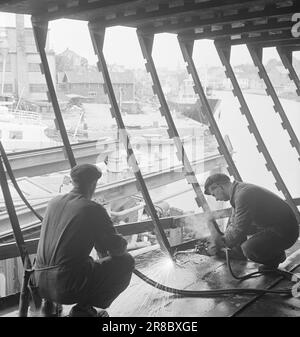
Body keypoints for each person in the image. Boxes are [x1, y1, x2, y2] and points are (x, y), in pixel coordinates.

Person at [32, 164, 135, 317]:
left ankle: (56, 309)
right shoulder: (93, 209)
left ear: (73, 182)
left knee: (84, 263)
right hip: (66, 286)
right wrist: (122, 242)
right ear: (93, 184)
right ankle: (84, 310)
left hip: (38, 282)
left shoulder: (53, 203)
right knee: (126, 262)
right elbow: (117, 249)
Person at [204, 173, 299, 270]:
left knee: (249, 248)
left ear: (218, 186)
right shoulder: (238, 191)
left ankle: (275, 258)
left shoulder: (243, 195)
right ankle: (238, 253)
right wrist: (224, 239)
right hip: (277, 226)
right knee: (234, 226)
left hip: (286, 232)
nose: (216, 199)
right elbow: (233, 223)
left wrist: (221, 243)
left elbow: (239, 229)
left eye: (214, 194)